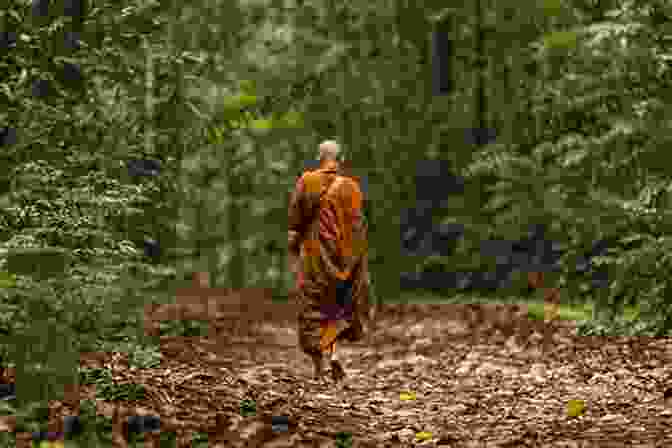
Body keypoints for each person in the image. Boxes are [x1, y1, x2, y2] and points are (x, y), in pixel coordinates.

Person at [288, 140, 371, 382]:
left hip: (315, 256)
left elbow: (294, 224)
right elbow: (358, 228)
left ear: (318, 157)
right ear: (341, 159)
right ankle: (335, 355)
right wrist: (356, 262)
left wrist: (294, 249)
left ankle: (319, 367)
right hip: (344, 258)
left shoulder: (307, 181)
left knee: (312, 307)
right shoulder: (352, 188)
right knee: (338, 305)